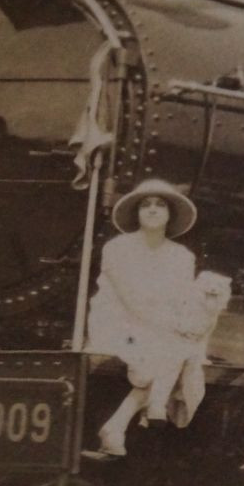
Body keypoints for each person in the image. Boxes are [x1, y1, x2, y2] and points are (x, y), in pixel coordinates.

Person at [86, 178, 201, 456]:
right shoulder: (117, 248)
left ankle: (118, 424)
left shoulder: (182, 256)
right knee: (162, 357)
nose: (152, 210)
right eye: (145, 205)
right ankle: (154, 405)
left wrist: (182, 326)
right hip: (117, 323)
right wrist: (169, 327)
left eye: (159, 205)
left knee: (180, 347)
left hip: (158, 328)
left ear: (169, 214)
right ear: (136, 212)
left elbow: (181, 301)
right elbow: (129, 299)